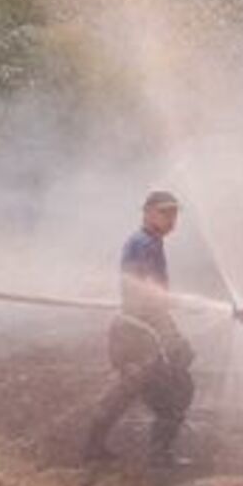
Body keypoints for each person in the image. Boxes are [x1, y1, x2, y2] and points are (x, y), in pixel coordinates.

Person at [83, 190, 195, 466]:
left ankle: (95, 447)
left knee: (128, 391)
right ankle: (158, 454)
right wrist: (180, 304)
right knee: (174, 390)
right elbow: (143, 293)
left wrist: (172, 326)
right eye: (164, 212)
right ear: (147, 213)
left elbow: (149, 296)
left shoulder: (150, 242)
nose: (171, 219)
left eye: (174, 214)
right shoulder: (143, 244)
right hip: (138, 332)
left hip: (138, 330)